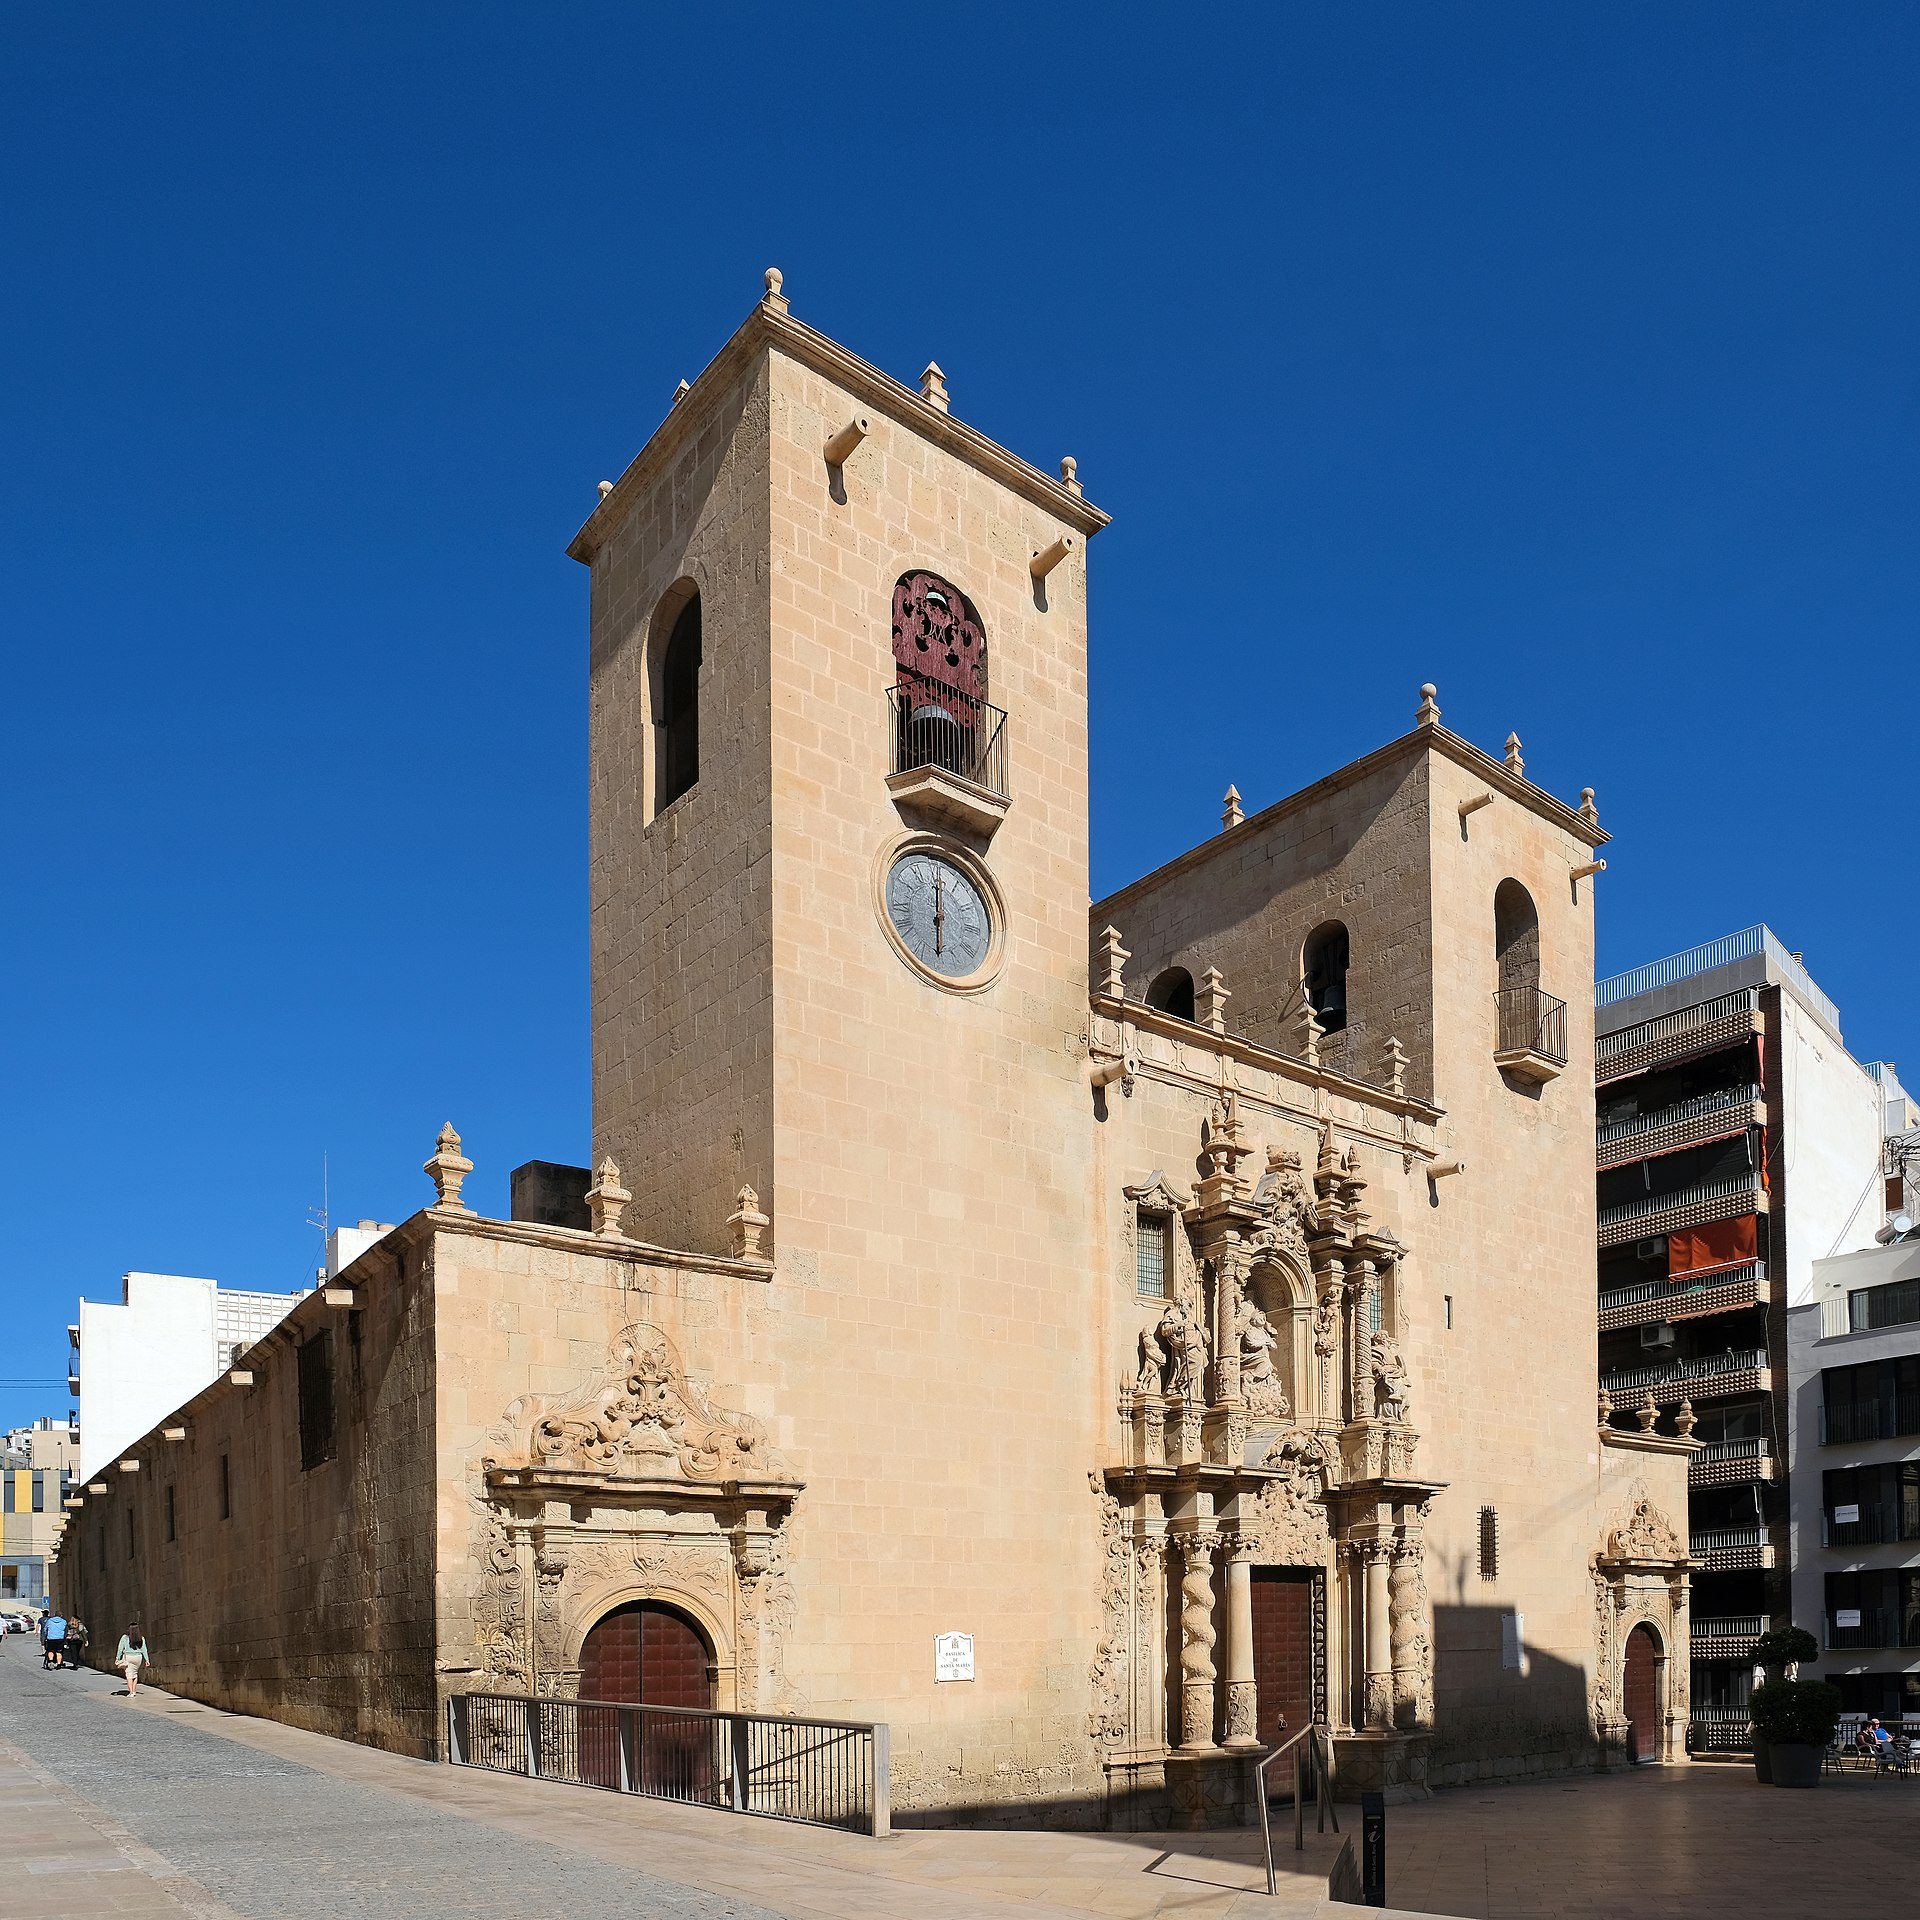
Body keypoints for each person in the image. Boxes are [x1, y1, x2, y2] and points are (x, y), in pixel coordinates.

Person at [114, 1623, 150, 1696]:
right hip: (138, 1658)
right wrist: (147, 1660)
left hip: (129, 1657)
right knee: (135, 1674)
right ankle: (134, 1691)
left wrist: (118, 1658)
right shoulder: (141, 1638)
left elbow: (120, 1649)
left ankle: (131, 1692)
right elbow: (144, 1650)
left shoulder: (125, 1638)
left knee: (129, 1675)